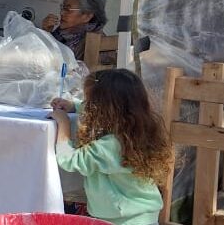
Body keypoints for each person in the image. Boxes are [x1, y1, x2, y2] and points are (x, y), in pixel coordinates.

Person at [50, 69, 172, 225]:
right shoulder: (138, 133)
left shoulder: (110, 146)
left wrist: (63, 124)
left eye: (89, 102)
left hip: (120, 220)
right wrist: (74, 106)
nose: (87, 106)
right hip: (144, 216)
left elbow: (70, 160)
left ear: (102, 108)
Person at [42, 0, 107, 61]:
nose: (61, 13)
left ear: (87, 16)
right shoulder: (63, 33)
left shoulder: (96, 42)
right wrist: (46, 33)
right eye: (63, 7)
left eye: (67, 9)